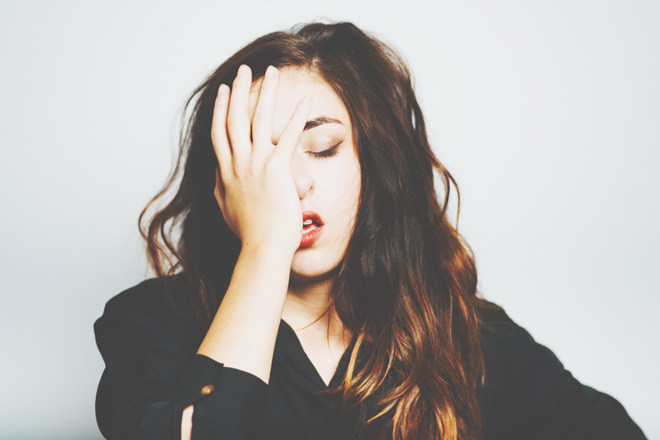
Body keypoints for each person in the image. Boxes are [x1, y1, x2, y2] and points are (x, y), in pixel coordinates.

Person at [94, 21, 647, 440]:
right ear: (225, 180)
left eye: (322, 148)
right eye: (264, 156)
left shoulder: (457, 333)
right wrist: (265, 246)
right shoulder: (149, 324)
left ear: (375, 163)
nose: (294, 183)